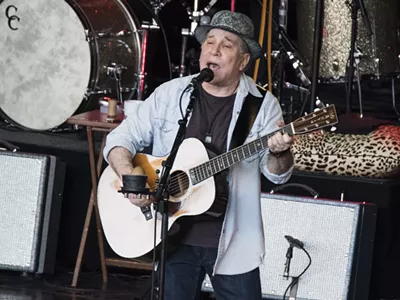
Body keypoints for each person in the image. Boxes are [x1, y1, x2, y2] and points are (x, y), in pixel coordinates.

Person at [103, 10, 294, 300]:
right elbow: (120, 138)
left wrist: (281, 151)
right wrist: (132, 178)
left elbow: (277, 174)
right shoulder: (172, 93)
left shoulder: (262, 105)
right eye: (209, 42)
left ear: (243, 61)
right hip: (171, 235)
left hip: (232, 239)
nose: (214, 50)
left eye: (227, 45)